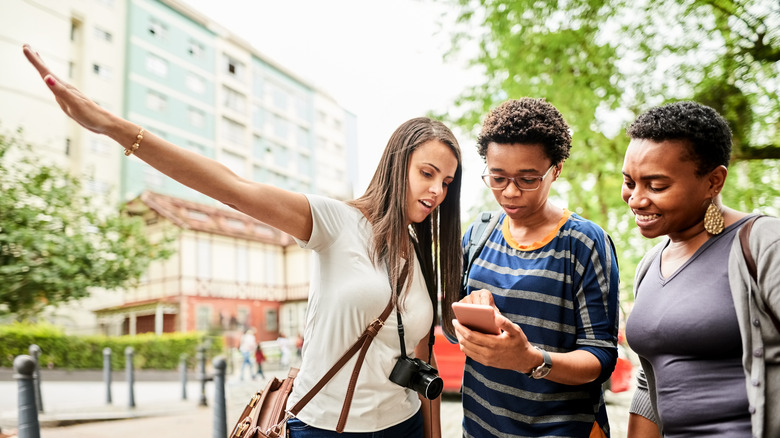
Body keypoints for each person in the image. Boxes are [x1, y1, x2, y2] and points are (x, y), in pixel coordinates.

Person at [23, 44, 464, 438]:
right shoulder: (337, 221)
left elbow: (422, 356)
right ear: (395, 164)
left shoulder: (420, 250)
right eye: (427, 173)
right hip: (326, 428)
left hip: (403, 426)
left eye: (446, 183)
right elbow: (231, 187)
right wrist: (111, 127)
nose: (436, 192)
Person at [452, 98, 620, 437]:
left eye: (528, 179)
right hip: (481, 427)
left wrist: (530, 359)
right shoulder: (479, 233)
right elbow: (450, 323)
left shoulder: (584, 243)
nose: (510, 192)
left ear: (555, 170)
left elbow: (601, 358)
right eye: (497, 178)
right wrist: (468, 313)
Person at [621, 101, 780, 437]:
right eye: (630, 182)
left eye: (656, 186)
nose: (636, 199)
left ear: (713, 182)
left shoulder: (764, 243)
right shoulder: (650, 264)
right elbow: (651, 385)